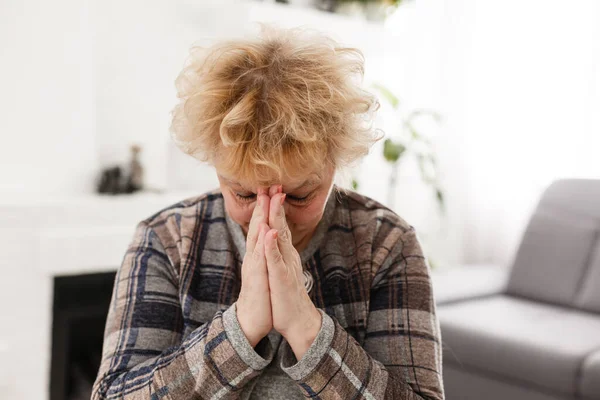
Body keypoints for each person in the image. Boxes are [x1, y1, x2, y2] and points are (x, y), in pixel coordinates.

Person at [92, 24, 444, 400]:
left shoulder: (386, 243)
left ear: (334, 166)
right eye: (243, 193)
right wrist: (240, 327)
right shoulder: (166, 239)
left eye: (298, 196)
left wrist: (306, 327)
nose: (270, 219)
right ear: (216, 168)